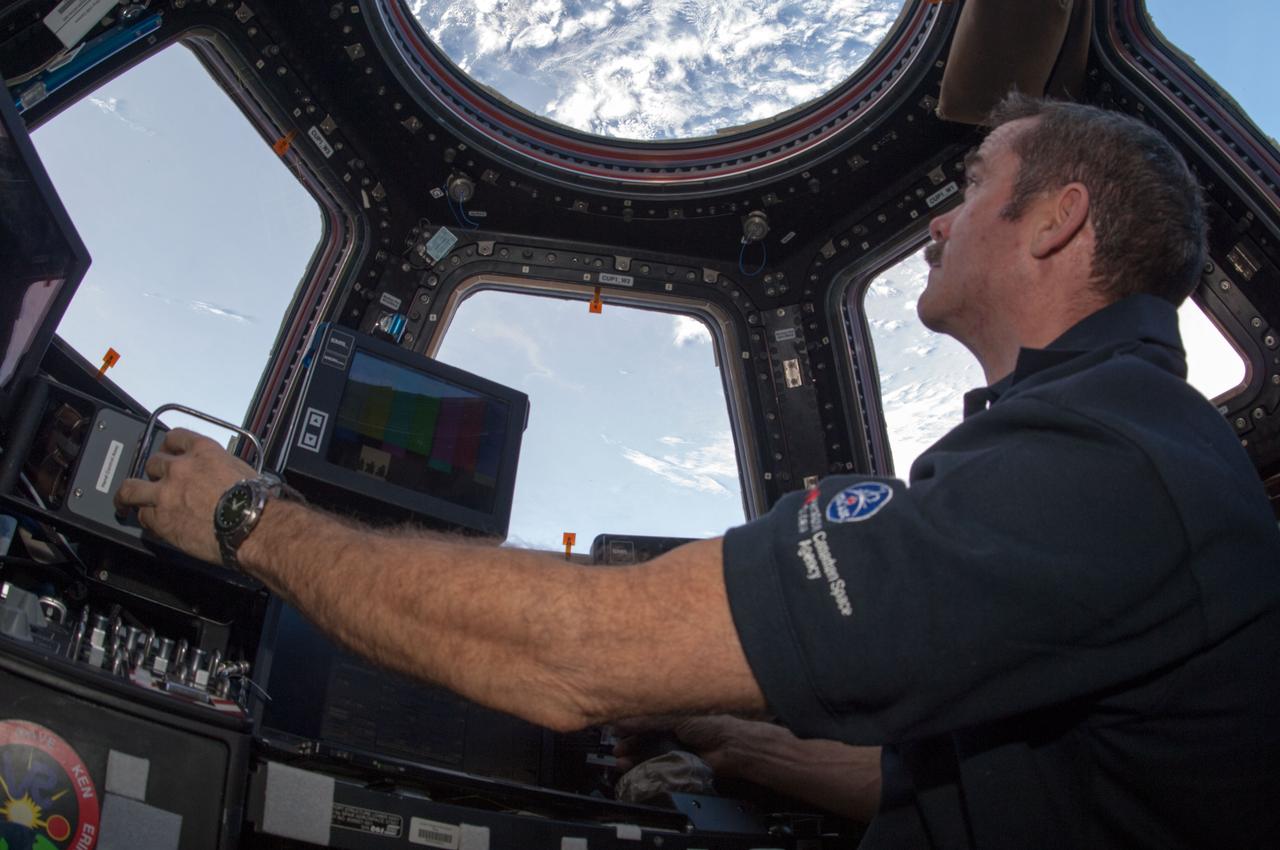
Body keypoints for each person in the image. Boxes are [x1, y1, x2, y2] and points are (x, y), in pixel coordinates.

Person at [116, 92, 1280, 849]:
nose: (937, 221)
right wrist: (734, 740)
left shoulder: (1104, 467)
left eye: (970, 184)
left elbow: (579, 658)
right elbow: (967, 796)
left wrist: (244, 518)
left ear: (1055, 220)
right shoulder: (1105, 443)